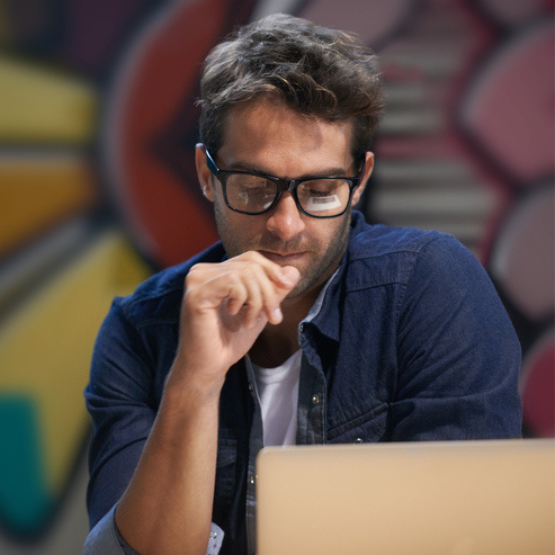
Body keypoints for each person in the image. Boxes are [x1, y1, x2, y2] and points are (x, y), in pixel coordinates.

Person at [83, 13, 522, 555]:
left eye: (319, 190)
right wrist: (194, 379)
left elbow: (472, 535)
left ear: (358, 181)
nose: (285, 226)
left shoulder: (429, 288)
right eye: (253, 187)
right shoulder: (138, 331)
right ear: (206, 174)